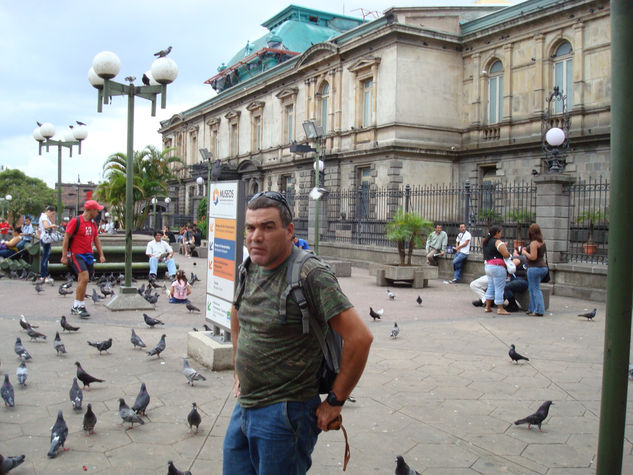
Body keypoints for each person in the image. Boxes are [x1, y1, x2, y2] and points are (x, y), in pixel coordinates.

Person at [223, 191, 373, 475]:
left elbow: (360, 338)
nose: (256, 236)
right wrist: (237, 370)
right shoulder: (250, 267)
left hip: (285, 414)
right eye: (251, 227)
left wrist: (335, 403)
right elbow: (236, 314)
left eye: (267, 227)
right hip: (244, 406)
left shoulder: (311, 274)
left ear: (289, 231)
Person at [60, 200, 106, 319]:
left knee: (83, 280)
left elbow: (96, 239)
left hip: (88, 254)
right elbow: (66, 237)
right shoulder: (76, 221)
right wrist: (64, 255)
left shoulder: (92, 223)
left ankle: (77, 304)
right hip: (77, 254)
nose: (98, 212)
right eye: (96, 210)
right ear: (90, 210)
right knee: (84, 277)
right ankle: (79, 306)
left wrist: (101, 254)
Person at [482, 224, 511, 315]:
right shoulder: (497, 242)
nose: (501, 234)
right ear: (497, 233)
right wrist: (507, 252)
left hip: (488, 266)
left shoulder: (486, 242)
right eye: (500, 232)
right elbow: (506, 254)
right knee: (499, 288)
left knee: (491, 286)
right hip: (498, 266)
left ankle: (487, 307)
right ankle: (500, 308)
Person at [522, 223, 548, 317]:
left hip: (535, 267)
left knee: (535, 289)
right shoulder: (542, 242)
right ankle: (532, 308)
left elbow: (533, 257)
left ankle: (539, 310)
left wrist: (524, 252)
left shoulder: (534, 243)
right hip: (543, 267)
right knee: (532, 288)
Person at [38, 205, 58, 284]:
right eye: (52, 214)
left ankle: (44, 275)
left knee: (45, 257)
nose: (52, 215)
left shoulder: (43, 216)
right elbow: (46, 226)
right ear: (48, 211)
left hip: (44, 238)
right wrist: (52, 225)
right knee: (45, 257)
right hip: (45, 239)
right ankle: (44, 275)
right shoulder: (44, 217)